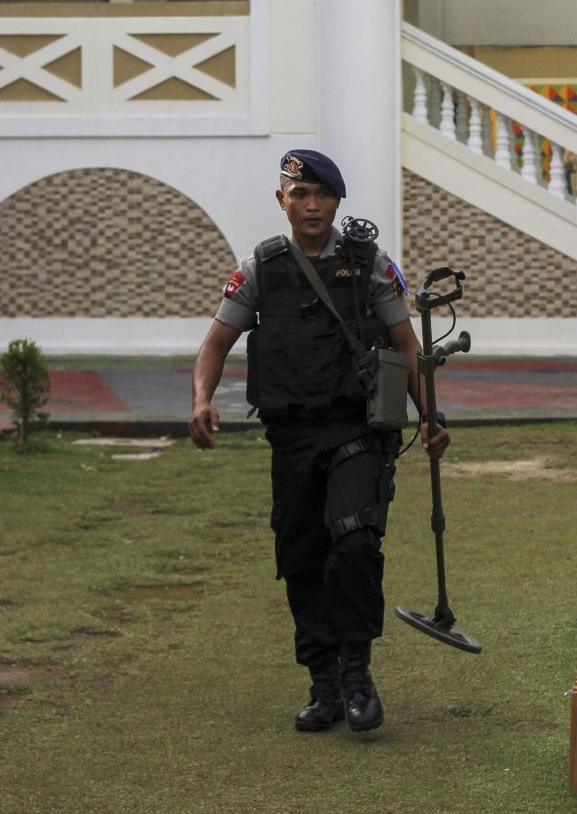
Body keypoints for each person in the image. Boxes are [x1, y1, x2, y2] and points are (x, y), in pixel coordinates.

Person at [188, 149, 450, 733]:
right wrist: (202, 399)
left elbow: (408, 346)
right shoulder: (261, 268)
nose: (311, 205)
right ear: (281, 200)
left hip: (357, 427)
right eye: (299, 194)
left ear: (336, 201)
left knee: (355, 543)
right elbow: (214, 344)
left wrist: (428, 413)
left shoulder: (370, 264)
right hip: (293, 436)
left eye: (322, 195)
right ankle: (323, 684)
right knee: (302, 558)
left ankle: (358, 676)